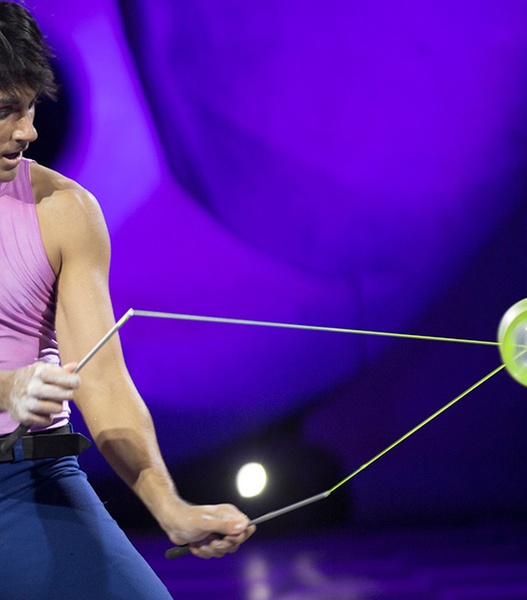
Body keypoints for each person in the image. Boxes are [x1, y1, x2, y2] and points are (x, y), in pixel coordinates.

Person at [0, 1, 254, 597]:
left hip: (29, 480)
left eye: (30, 106)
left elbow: (103, 380)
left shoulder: (64, 211)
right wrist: (10, 389)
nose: (28, 130)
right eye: (6, 110)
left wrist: (170, 506)